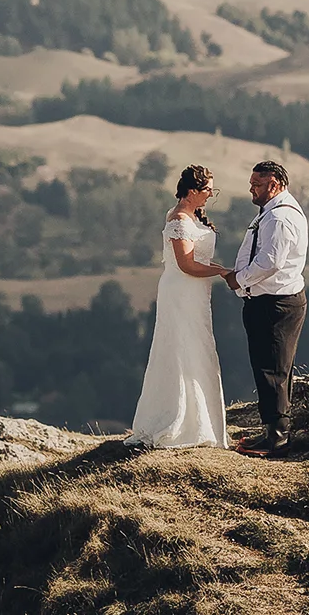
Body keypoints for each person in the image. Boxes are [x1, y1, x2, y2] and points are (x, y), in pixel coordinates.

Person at [128, 165, 230, 448]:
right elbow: (186, 264)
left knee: (197, 347)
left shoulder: (192, 216)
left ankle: (202, 420)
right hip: (181, 291)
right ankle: (180, 420)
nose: (211, 195)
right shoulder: (178, 219)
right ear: (192, 191)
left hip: (196, 293)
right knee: (181, 348)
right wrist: (222, 271)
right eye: (208, 189)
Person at [223, 160, 309, 457]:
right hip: (272, 300)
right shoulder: (273, 213)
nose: (251, 190)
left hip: (274, 303)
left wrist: (238, 279)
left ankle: (277, 438)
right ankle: (274, 430)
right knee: (273, 367)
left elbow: (270, 262)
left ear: (274, 184)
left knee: (272, 368)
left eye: (256, 185)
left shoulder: (279, 218)